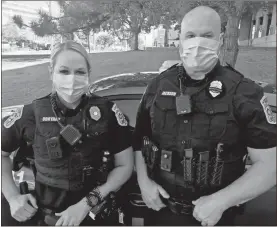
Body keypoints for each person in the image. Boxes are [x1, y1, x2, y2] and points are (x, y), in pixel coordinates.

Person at [132, 6, 276, 226]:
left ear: (219, 39)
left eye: (207, 36)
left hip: (215, 217)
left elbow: (270, 165)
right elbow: (140, 142)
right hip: (161, 212)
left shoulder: (244, 92)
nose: (197, 43)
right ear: (179, 40)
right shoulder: (158, 86)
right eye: (190, 35)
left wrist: (220, 201)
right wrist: (144, 182)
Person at [2, 41, 134, 226]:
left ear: (88, 74)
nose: (72, 79)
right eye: (64, 71)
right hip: (45, 217)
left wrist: (86, 204)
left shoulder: (108, 112)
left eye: (80, 72)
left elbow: (125, 165)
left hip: (95, 215)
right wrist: (13, 197)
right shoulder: (31, 114)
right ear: (51, 72)